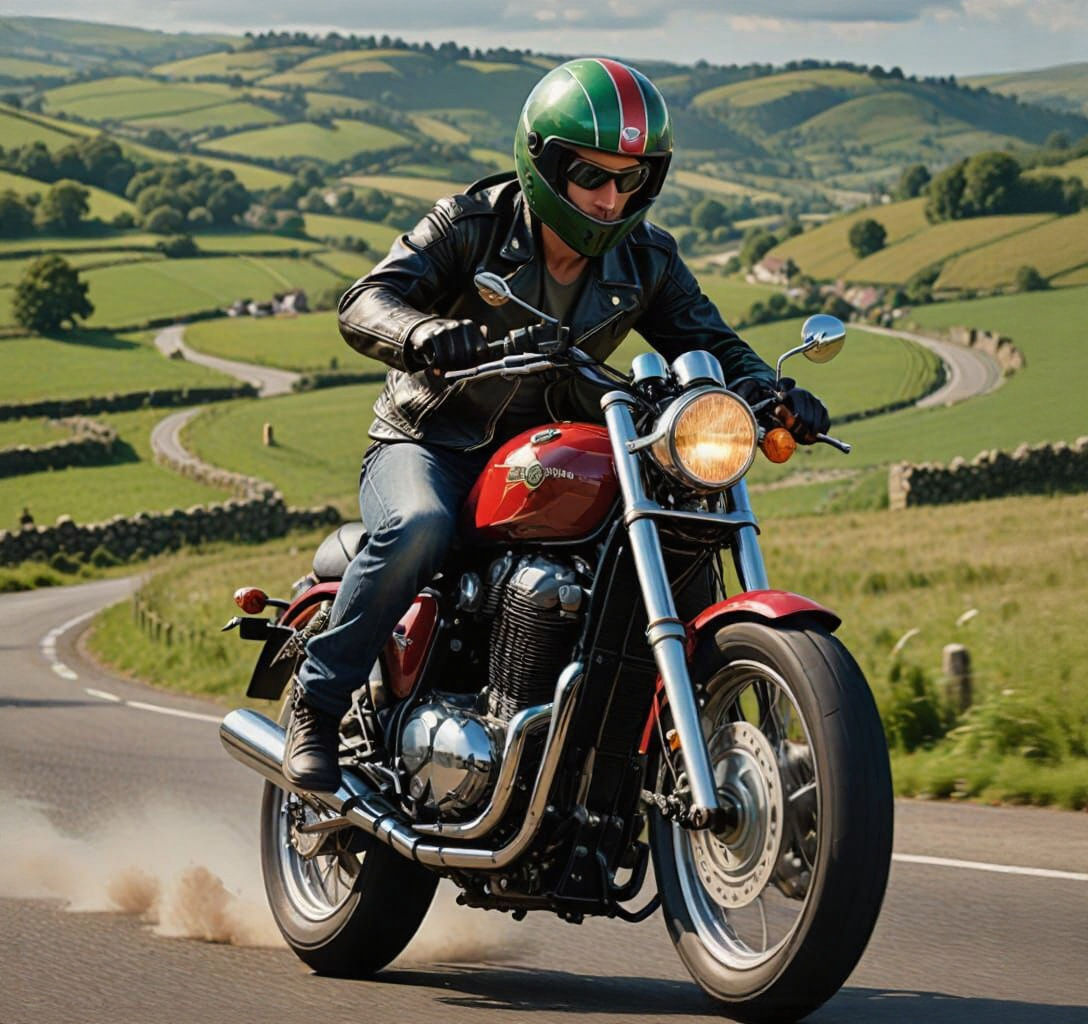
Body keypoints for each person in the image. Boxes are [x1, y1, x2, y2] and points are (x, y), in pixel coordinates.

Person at [284, 57, 830, 791]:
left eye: (630, 179)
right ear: (543, 164)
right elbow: (367, 300)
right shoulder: (471, 225)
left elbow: (711, 344)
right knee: (418, 526)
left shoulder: (647, 260)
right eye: (591, 176)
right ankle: (317, 709)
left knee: (679, 536)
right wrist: (420, 335)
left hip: (548, 450)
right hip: (432, 441)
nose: (610, 198)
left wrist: (769, 390)